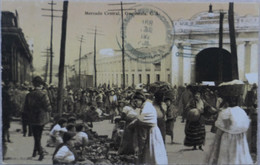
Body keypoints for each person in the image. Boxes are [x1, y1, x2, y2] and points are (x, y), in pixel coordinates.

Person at [207, 96, 253, 164]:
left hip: (227, 139)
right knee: (239, 157)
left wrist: (216, 142)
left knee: (226, 158)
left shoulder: (226, 112)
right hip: (240, 139)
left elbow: (220, 129)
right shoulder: (241, 111)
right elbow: (245, 127)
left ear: (227, 103)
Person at [130, 91, 168, 164]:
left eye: (136, 101)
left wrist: (134, 121)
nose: (135, 103)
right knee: (149, 153)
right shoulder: (145, 106)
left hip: (153, 132)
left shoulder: (147, 106)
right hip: (149, 131)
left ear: (141, 100)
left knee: (154, 152)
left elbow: (142, 119)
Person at [24, 76, 52, 160]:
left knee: (36, 135)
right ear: (41, 84)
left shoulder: (29, 95)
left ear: (33, 84)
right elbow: (48, 107)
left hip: (32, 117)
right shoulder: (43, 94)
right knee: (38, 135)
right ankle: (40, 151)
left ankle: (35, 151)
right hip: (42, 117)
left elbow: (25, 108)